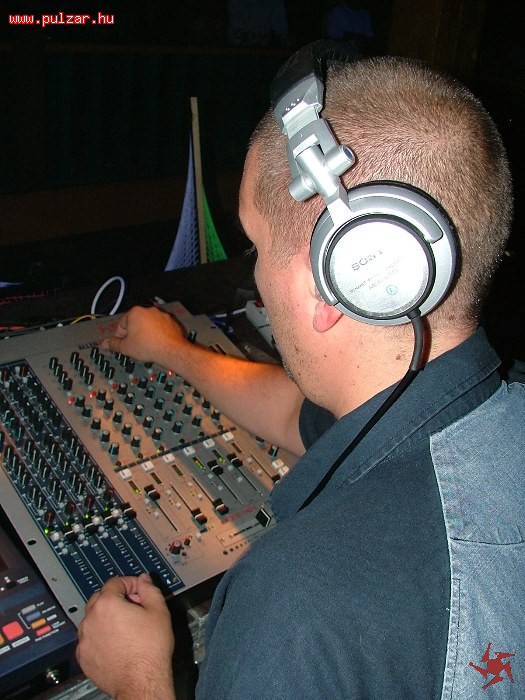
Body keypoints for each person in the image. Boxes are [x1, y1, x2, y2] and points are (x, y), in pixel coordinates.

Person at [76, 47, 524, 699]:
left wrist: (136, 678)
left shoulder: (297, 605)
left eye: (255, 246)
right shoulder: (495, 406)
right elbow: (298, 415)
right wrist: (175, 351)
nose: (254, 274)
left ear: (344, 272)